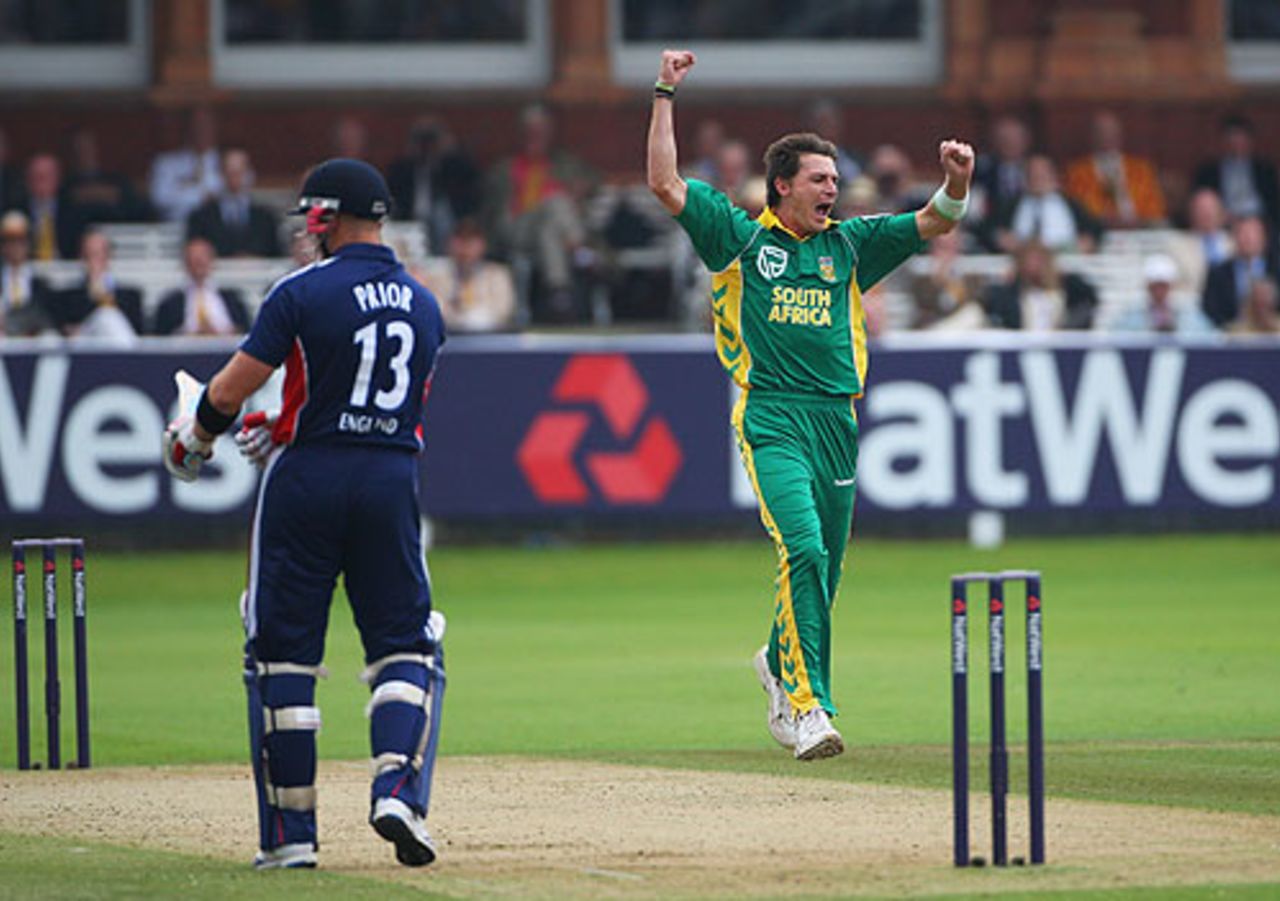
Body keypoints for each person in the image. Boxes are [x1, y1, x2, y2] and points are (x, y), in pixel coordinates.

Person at [647, 49, 974, 761]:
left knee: (823, 571)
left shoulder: (849, 247)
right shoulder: (739, 238)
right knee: (801, 547)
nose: (834, 189)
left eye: (835, 178)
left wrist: (956, 181)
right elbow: (665, 182)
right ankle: (808, 707)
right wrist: (665, 89)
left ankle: (775, 658)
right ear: (782, 187)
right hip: (771, 416)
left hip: (837, 421)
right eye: (820, 179)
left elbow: (935, 221)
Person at [160, 158, 448, 870]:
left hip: (308, 479)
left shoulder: (302, 291)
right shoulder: (426, 302)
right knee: (406, 645)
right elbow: (390, 403)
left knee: (282, 655)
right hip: (390, 478)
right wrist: (285, 420)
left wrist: (191, 440)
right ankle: (396, 790)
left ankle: (292, 837)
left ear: (325, 216)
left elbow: (228, 389)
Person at [1063, 111, 1166, 228]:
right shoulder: (1076, 172)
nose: (1107, 136)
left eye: (1112, 131)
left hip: (1139, 231)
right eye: (1101, 132)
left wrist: (1137, 222)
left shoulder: (1141, 169)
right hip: (1098, 232)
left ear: (1120, 135)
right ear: (1092, 136)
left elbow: (1156, 211)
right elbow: (1074, 213)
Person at [417, 218, 516, 332]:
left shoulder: (497, 276)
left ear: (482, 245)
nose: (465, 248)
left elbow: (502, 311)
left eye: (471, 241)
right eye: (460, 241)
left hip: (489, 339)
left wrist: (473, 316)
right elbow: (434, 310)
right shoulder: (436, 276)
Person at [47, 229, 145, 340]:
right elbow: (66, 330)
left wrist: (106, 298)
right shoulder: (68, 297)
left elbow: (138, 331)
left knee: (108, 316)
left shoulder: (130, 296)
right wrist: (93, 296)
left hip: (121, 345)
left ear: (109, 256)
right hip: (84, 350)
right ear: (82, 258)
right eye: (90, 254)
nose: (95, 260)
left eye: (100, 254)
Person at [186, 148, 284, 258]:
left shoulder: (266, 217)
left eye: (240, 172)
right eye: (230, 172)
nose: (235, 178)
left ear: (249, 174)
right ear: (221, 174)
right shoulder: (201, 217)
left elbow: (276, 253)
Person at [982, 240, 1098, 331]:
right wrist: (1011, 280)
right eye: (1030, 260)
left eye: (1038, 259)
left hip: (1057, 341)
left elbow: (1090, 297)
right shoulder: (1014, 292)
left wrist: (1060, 276)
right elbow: (990, 302)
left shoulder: (1065, 286)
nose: (1034, 265)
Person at [150, 237, 252, 336]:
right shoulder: (170, 304)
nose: (199, 263)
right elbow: (160, 338)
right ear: (185, 264)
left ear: (212, 261)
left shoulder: (233, 299)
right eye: (194, 260)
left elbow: (247, 333)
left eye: (202, 259)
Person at [1192, 115, 1280, 228]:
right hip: (1223, 223)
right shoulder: (1208, 171)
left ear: (1250, 141)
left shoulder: (1265, 170)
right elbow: (1199, 202)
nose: (1235, 145)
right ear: (1222, 142)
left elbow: (1273, 203)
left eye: (1240, 139)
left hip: (1259, 223)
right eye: (1230, 139)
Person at [1201, 215, 1279, 328]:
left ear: (1264, 238)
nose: (1248, 239)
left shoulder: (1276, 269)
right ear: (1234, 238)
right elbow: (1210, 309)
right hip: (1231, 337)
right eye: (1244, 234)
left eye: (1253, 234)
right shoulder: (1218, 273)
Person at [149, 105, 223, 223]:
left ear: (214, 128)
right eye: (197, 126)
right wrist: (199, 198)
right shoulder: (167, 163)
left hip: (217, 232)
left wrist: (184, 192)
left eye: (206, 126)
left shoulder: (226, 161)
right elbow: (160, 198)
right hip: (176, 229)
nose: (201, 132)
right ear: (188, 129)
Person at [1109, 254, 1214, 335]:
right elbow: (1118, 335)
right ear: (1148, 285)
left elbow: (1204, 334)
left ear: (1171, 285)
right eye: (1155, 285)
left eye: (1163, 285)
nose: (1159, 290)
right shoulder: (1131, 311)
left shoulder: (1188, 308)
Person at [0, 211, 54, 336]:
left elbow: (45, 317)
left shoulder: (40, 284)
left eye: (21, 241)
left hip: (32, 342)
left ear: (28, 244)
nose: (15, 247)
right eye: (10, 241)